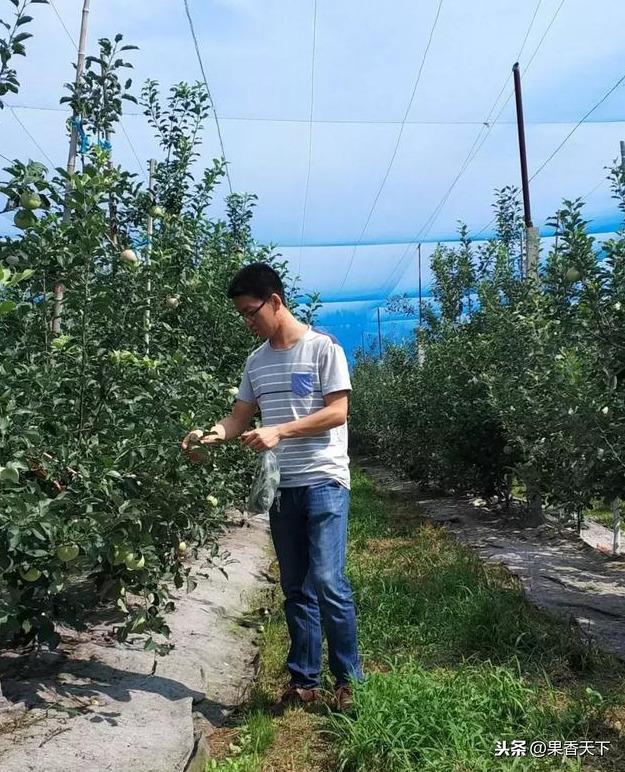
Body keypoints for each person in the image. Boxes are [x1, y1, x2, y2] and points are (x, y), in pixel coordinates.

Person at [181, 262, 362, 713]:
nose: (247, 321)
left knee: (327, 580)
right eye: (241, 314)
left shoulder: (323, 349)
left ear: (275, 301)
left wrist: (280, 431)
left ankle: (350, 679)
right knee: (296, 587)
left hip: (324, 479)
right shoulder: (256, 362)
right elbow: (238, 418)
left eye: (250, 311)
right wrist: (209, 435)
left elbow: (337, 413)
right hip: (283, 488)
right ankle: (305, 681)